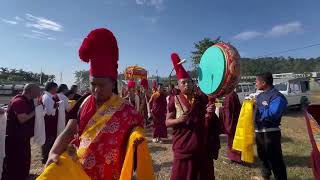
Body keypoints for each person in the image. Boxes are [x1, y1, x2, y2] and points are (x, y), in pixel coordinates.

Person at [41, 28, 154, 179]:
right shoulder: (84, 102)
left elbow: (136, 137)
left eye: (101, 85)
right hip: (78, 171)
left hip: (111, 173)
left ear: (112, 83)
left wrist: (136, 137)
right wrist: (53, 152)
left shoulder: (127, 110)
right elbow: (69, 131)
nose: (96, 89)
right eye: (93, 84)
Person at [166, 53, 221, 180]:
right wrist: (179, 120)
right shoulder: (174, 100)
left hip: (201, 145)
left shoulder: (201, 98)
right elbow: (167, 122)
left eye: (189, 82)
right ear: (178, 85)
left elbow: (206, 116)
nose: (187, 85)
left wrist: (209, 112)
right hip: (183, 146)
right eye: (183, 83)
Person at [252, 72, 287, 180]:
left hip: (271, 132)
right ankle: (265, 176)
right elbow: (257, 110)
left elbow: (274, 114)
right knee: (262, 157)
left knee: (275, 159)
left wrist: (261, 109)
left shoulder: (277, 96)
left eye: (256, 81)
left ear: (263, 82)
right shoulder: (260, 96)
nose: (255, 84)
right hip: (259, 132)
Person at [1, 84, 40, 180]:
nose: (40, 93)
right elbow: (22, 119)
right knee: (14, 161)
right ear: (31, 91)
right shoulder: (19, 101)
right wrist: (36, 111)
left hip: (23, 137)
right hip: (14, 137)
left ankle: (22, 176)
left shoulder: (29, 101)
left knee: (24, 159)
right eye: (38, 90)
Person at [41, 82, 59, 164]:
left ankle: (46, 155)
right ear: (52, 88)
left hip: (49, 121)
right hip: (49, 121)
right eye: (56, 88)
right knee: (48, 139)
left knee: (49, 139)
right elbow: (49, 112)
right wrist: (56, 106)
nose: (56, 90)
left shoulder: (48, 96)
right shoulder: (47, 98)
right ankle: (45, 157)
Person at [222, 90, 242, 163]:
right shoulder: (232, 94)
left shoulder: (229, 96)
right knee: (234, 141)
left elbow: (228, 112)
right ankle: (235, 157)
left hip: (232, 123)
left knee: (232, 141)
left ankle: (235, 158)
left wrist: (228, 126)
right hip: (235, 122)